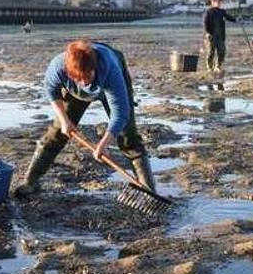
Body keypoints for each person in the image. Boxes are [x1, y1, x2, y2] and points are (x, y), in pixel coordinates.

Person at [14, 40, 155, 197]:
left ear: (93, 68)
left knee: (128, 137)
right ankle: (30, 181)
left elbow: (120, 114)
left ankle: (148, 190)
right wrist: (65, 120)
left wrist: (103, 143)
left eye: (87, 76)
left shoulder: (110, 69)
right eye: (78, 78)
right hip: (74, 92)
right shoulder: (59, 66)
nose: (83, 82)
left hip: (107, 85)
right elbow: (51, 91)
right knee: (57, 133)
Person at [201, 0, 238, 75]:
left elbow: (229, 17)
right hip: (211, 36)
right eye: (217, 2)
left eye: (219, 2)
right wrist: (208, 33)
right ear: (212, 2)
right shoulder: (208, 12)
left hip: (220, 36)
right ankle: (209, 67)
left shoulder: (222, 12)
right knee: (211, 52)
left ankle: (218, 66)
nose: (218, 3)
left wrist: (236, 19)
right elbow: (205, 23)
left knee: (222, 51)